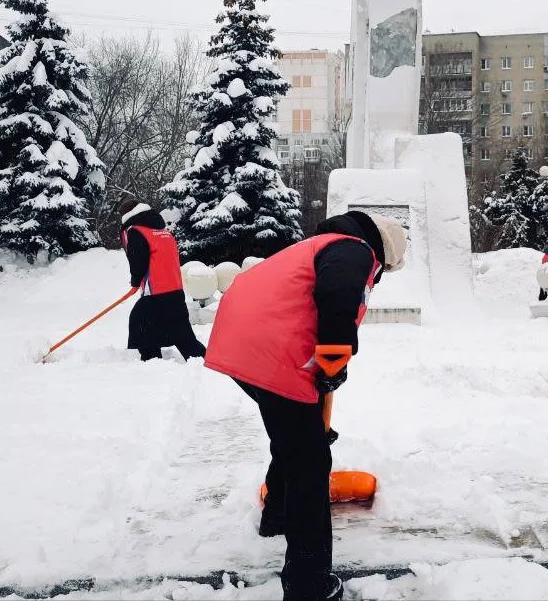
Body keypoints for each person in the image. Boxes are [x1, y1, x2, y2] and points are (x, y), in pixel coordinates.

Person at [204, 210, 407, 600]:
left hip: (241, 342)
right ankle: (308, 584)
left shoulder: (319, 244)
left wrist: (330, 367)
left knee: (296, 438)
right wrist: (333, 358)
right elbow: (338, 299)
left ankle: (277, 516)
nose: (377, 277)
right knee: (309, 463)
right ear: (384, 252)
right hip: (270, 350)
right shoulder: (355, 249)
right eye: (383, 272)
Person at [117, 199, 206, 362]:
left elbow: (138, 260)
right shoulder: (164, 232)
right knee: (183, 335)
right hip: (176, 291)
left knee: (140, 323)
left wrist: (135, 281)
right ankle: (204, 360)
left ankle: (151, 361)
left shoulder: (136, 231)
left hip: (156, 293)